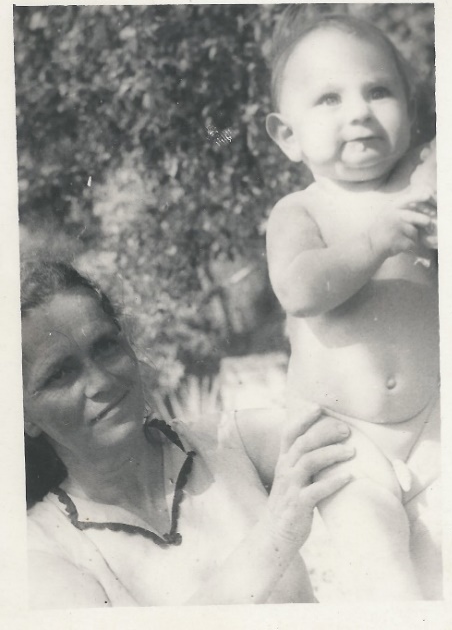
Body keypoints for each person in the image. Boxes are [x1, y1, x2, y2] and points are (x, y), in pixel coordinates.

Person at [22, 259, 360, 608]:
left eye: (105, 346)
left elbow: (350, 437)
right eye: (59, 374)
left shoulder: (228, 440)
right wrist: (277, 533)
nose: (100, 381)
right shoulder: (40, 554)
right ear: (24, 416)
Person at [265, 9, 440, 599]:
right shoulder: (301, 210)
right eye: (329, 99)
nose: (360, 112)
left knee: (443, 573)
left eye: (379, 91)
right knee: (384, 572)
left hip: (436, 422)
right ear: (287, 136)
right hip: (344, 437)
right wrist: (376, 241)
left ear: (411, 111)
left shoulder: (425, 190)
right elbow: (299, 289)